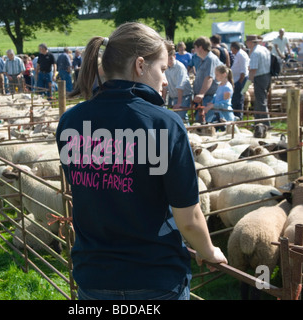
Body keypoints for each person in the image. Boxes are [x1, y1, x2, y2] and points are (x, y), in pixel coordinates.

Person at [60, 22, 227, 301]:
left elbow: (89, 190)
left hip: (94, 277)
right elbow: (188, 219)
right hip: (155, 277)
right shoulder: (165, 124)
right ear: (140, 65)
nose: (165, 80)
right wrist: (209, 251)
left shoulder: (70, 121)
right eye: (162, 69)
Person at [192, 36, 223, 122]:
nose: (194, 50)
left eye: (195, 47)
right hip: (204, 97)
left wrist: (201, 94)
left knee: (204, 124)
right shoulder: (204, 59)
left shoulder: (210, 59)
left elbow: (209, 77)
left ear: (200, 47)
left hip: (208, 97)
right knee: (200, 122)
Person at [162, 43, 192, 122]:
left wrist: (179, 103)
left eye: (171, 59)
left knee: (181, 117)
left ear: (174, 57)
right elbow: (165, 86)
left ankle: (186, 131)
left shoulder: (180, 67)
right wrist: (163, 100)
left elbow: (180, 85)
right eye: (167, 59)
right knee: (175, 118)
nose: (169, 61)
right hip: (174, 96)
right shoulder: (166, 68)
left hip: (184, 95)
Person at [246, 34, 271, 127]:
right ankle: (258, 122)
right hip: (267, 76)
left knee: (261, 101)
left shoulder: (255, 53)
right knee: (260, 100)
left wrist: (247, 85)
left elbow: (253, 70)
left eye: (247, 42)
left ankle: (266, 124)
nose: (246, 44)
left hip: (259, 77)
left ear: (251, 43)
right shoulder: (264, 49)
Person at [230, 42, 249, 120]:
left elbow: (243, 69)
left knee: (237, 98)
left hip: (240, 79)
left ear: (234, 48)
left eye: (232, 49)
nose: (231, 51)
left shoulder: (240, 55)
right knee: (237, 98)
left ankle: (238, 116)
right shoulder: (240, 54)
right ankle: (237, 116)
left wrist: (240, 81)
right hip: (239, 79)